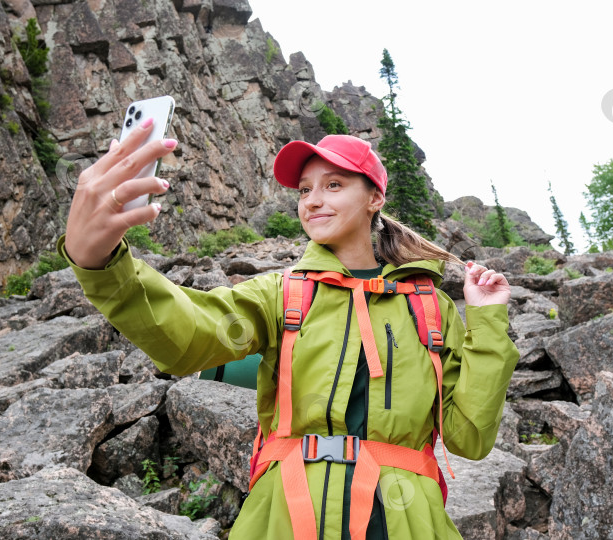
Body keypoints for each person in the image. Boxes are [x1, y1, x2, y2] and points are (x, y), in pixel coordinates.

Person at [58, 123, 519, 539]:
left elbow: (470, 437)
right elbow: (188, 333)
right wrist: (100, 263)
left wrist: (488, 321)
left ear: (374, 198)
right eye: (304, 190)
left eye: (333, 185)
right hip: (284, 515)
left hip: (405, 523)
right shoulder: (281, 295)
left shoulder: (430, 308)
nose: (313, 200)